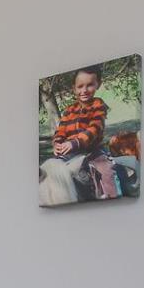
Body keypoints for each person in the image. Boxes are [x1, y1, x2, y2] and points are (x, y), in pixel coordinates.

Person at [52, 66, 110, 199]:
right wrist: (57, 143)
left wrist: (75, 143)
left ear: (98, 84)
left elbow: (95, 128)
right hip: (70, 152)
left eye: (90, 85)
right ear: (74, 88)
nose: (84, 90)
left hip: (93, 150)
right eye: (80, 86)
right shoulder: (69, 110)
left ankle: (112, 197)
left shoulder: (98, 105)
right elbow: (61, 130)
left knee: (106, 172)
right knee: (53, 172)